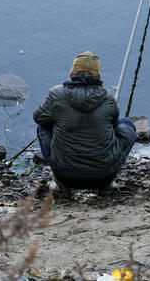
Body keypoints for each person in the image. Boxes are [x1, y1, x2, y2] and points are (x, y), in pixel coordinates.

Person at [33, 51, 137, 198]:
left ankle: (61, 185)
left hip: (65, 174)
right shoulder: (108, 97)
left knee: (44, 128)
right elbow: (114, 126)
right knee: (127, 124)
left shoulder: (56, 94)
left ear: (71, 74)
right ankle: (107, 185)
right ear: (99, 76)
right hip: (103, 174)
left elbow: (39, 118)